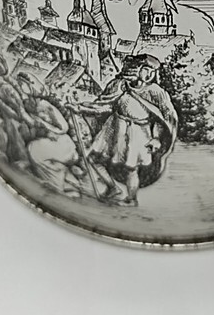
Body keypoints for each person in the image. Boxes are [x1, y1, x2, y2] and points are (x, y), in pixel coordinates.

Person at [74, 55, 177, 205]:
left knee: (131, 168)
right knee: (94, 159)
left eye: (152, 71)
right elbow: (106, 105)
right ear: (135, 69)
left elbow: (163, 118)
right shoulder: (119, 85)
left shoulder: (155, 92)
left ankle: (131, 199)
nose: (149, 74)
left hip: (138, 132)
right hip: (114, 128)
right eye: (146, 70)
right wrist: (82, 108)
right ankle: (112, 187)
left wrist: (156, 137)